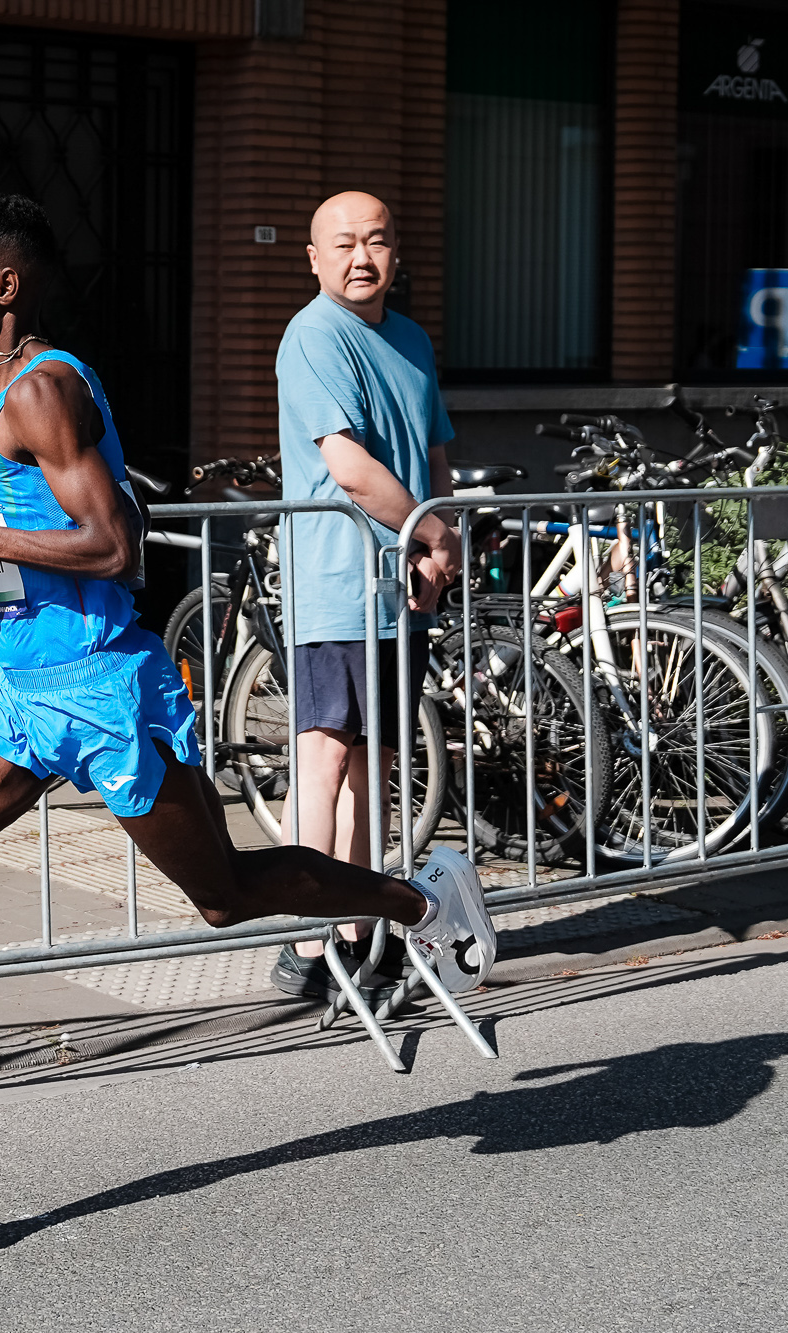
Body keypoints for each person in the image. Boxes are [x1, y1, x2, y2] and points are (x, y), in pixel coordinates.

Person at [0, 194, 496, 1219]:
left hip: (103, 690)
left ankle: (421, 903)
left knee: (226, 894)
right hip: (28, 696)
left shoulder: (43, 389)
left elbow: (116, 545)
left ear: (2, 287)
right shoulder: (11, 387)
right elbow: (80, 514)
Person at [265, 192, 460, 1006]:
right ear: (314, 258)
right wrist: (434, 533)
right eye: (343, 243)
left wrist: (438, 540)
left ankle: (360, 931)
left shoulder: (411, 339)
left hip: (402, 586)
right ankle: (306, 942)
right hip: (339, 580)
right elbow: (347, 466)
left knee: (376, 767)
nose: (361, 257)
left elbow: (436, 453)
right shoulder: (313, 334)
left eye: (376, 241)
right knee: (322, 757)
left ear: (396, 252)